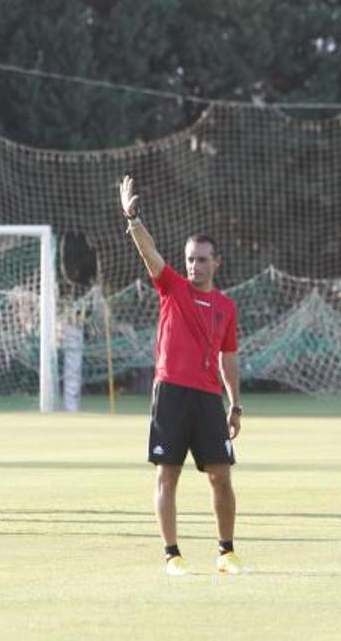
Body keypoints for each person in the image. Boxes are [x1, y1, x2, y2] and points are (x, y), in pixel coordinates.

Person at [120, 175, 243, 576]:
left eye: (203, 259)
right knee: (167, 474)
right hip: (171, 393)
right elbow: (149, 253)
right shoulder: (172, 287)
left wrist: (235, 404)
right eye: (191, 258)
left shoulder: (226, 305)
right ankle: (171, 554)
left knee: (220, 478)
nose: (195, 265)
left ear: (217, 262)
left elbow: (229, 359)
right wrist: (133, 218)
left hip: (209, 400)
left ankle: (226, 552)